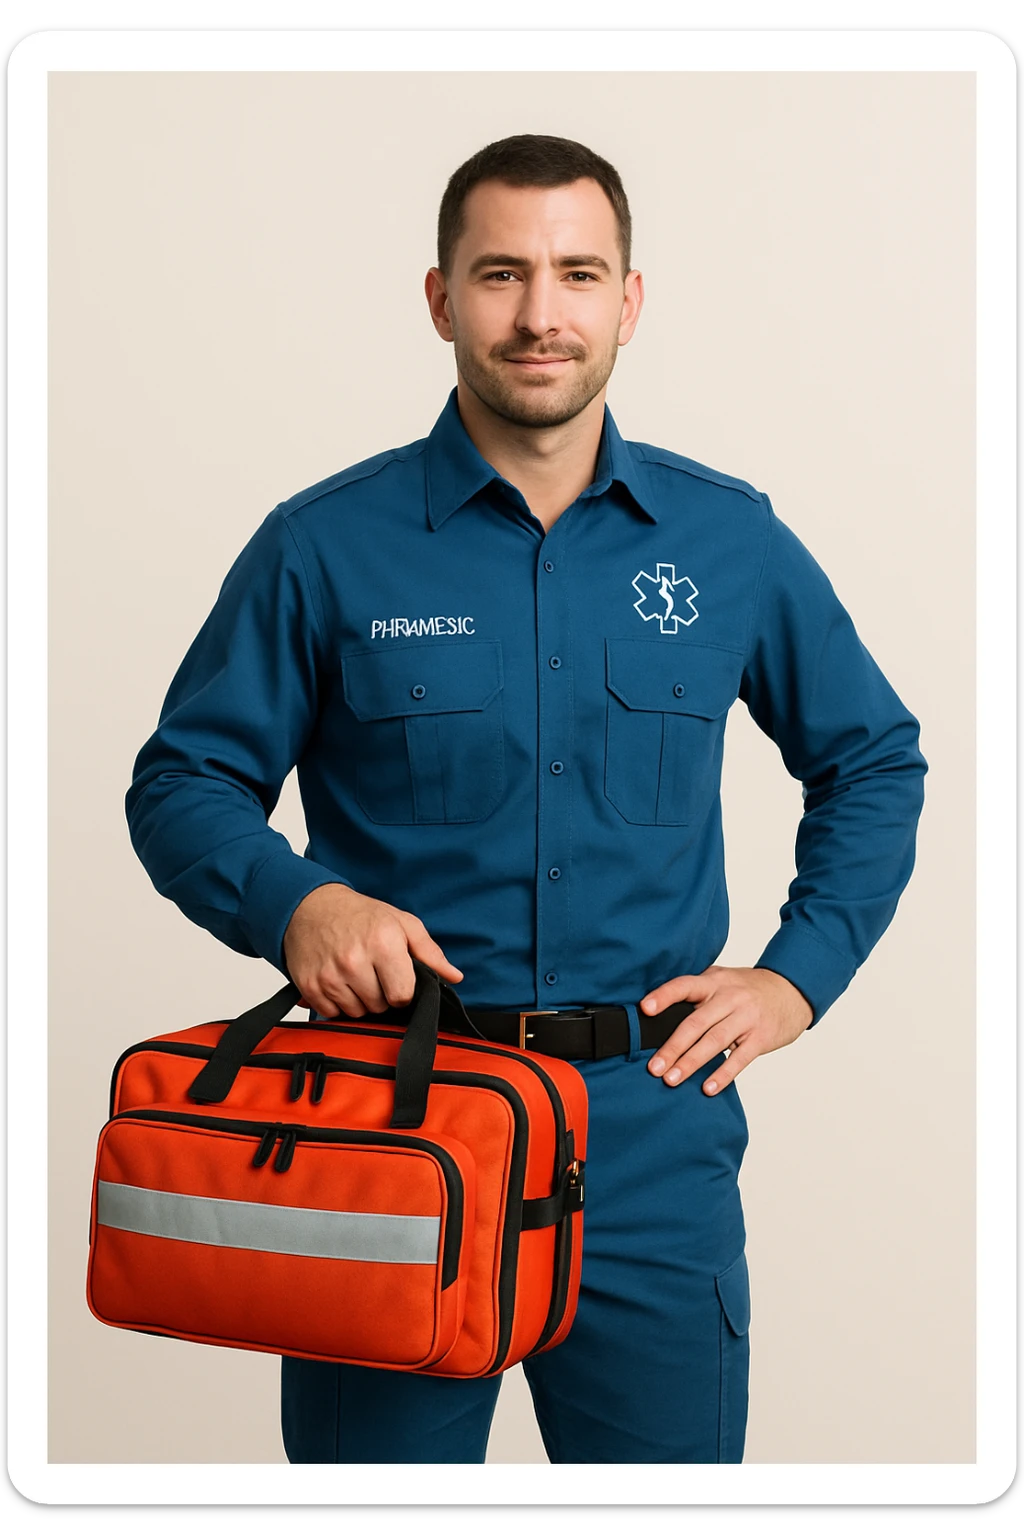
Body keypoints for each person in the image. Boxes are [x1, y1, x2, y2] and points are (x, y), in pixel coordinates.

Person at [125, 133, 927, 1465]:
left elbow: (873, 759)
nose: (540, 313)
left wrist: (800, 976)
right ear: (441, 299)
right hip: (391, 1133)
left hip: (650, 1157)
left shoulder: (729, 545)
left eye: (576, 273)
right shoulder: (322, 546)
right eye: (500, 274)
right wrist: (297, 903)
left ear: (630, 299)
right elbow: (184, 779)